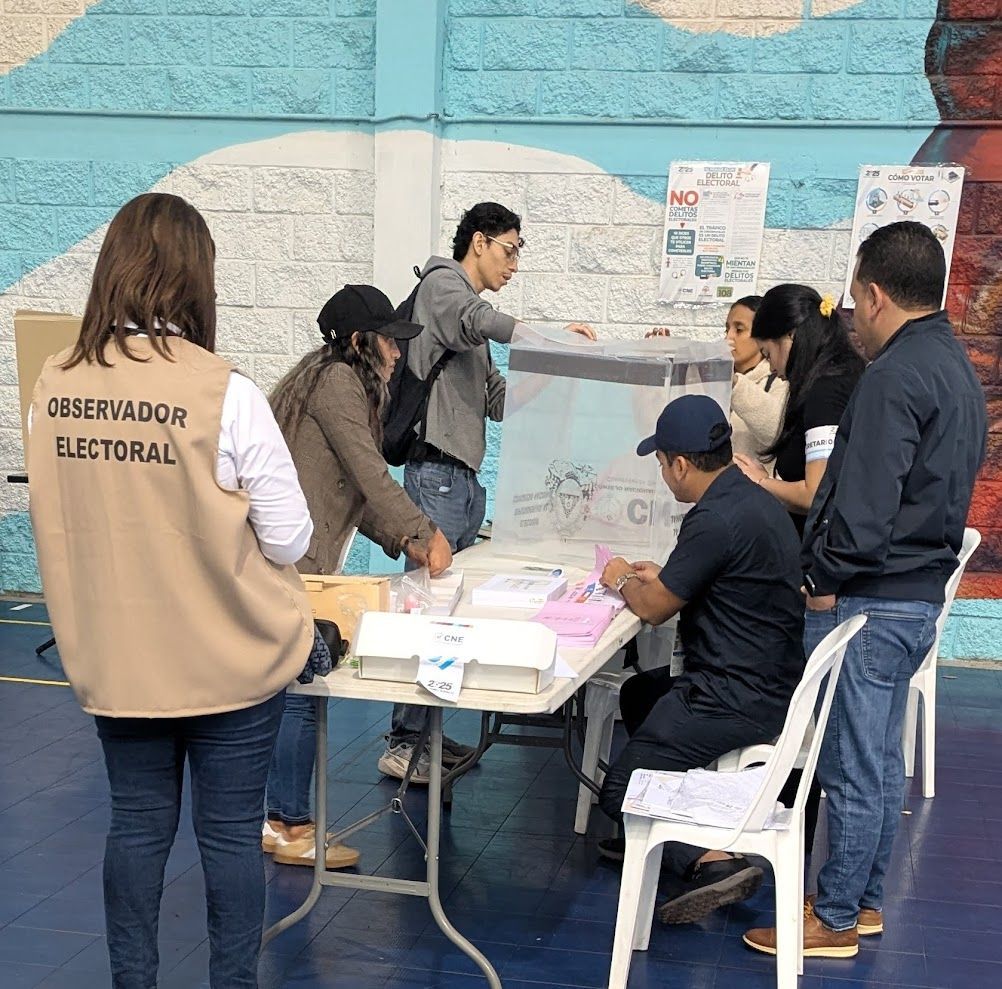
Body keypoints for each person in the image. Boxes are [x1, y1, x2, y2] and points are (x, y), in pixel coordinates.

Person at [27, 193, 317, 989]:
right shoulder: (224, 392)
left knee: (136, 827)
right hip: (230, 661)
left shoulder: (51, 388)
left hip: (117, 660)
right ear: (197, 278)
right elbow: (293, 538)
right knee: (228, 841)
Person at [745, 221, 987, 958]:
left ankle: (837, 916)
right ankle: (864, 899)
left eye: (853, 299)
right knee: (880, 761)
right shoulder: (957, 367)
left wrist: (820, 574)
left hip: (872, 598)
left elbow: (865, 505)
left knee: (852, 764)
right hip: (916, 597)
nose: (850, 316)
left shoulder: (893, 376)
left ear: (877, 295)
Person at [383, 201, 597, 774]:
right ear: (478, 241)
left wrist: (556, 370)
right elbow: (482, 321)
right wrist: (545, 337)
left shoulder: (467, 320)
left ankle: (422, 734)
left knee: (445, 611)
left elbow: (497, 401)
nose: (515, 264)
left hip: (461, 480)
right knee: (429, 609)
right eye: (511, 249)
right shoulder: (443, 288)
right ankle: (404, 743)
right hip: (437, 475)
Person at [596, 395, 806, 924]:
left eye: (663, 464)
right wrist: (665, 575)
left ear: (682, 465)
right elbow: (701, 578)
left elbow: (653, 609)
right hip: (771, 677)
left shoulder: (712, 520)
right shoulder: (750, 498)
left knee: (618, 788)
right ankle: (659, 812)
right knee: (639, 693)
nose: (665, 476)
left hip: (732, 695)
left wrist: (620, 576)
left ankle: (710, 858)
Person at [265, 285, 453, 837]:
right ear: (358, 342)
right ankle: (288, 826)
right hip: (290, 565)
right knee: (301, 691)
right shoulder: (339, 384)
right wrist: (423, 530)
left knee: (297, 689)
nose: (397, 353)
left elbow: (350, 492)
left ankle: (282, 818)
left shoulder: (325, 381)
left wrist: (405, 541)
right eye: (390, 342)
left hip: (298, 559)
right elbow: (371, 473)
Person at [734, 284, 865, 537]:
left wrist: (761, 482)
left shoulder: (827, 389)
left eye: (768, 353)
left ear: (790, 336)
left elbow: (814, 493)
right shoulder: (842, 373)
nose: (772, 367)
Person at [725, 295, 788, 463]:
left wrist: (735, 384)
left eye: (739, 330)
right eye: (727, 329)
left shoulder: (780, 381)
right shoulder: (718, 380)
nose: (728, 338)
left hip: (756, 486)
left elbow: (776, 431)